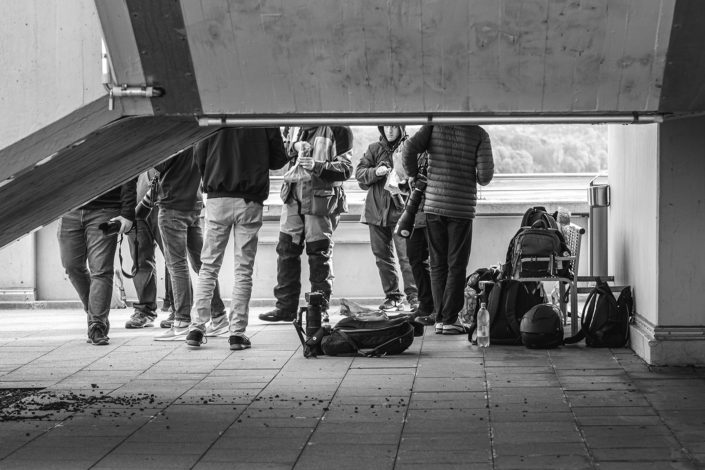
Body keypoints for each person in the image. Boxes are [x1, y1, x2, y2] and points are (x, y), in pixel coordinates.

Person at [186, 127, 288, 349]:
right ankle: (236, 333)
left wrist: (212, 173)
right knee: (243, 269)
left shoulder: (214, 116)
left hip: (217, 198)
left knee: (209, 266)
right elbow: (279, 160)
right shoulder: (263, 119)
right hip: (249, 199)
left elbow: (198, 155)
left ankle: (196, 328)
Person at [402, 125, 494, 335]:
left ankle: (440, 319)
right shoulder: (479, 134)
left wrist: (414, 174)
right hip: (460, 208)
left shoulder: (433, 126)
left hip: (434, 205)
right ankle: (450, 319)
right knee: (456, 264)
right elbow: (484, 177)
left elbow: (408, 148)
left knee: (438, 264)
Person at [259, 126, 353, 322]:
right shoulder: (292, 126)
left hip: (320, 201)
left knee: (319, 254)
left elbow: (346, 169)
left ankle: (319, 308)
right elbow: (280, 154)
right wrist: (294, 146)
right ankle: (285, 308)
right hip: (292, 198)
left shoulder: (339, 129)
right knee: (286, 251)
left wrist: (316, 165)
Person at [153, 147, 228, 341]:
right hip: (194, 203)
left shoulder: (173, 138)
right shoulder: (197, 135)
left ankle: (181, 322)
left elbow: (160, 164)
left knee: (177, 266)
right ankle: (219, 318)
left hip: (172, 205)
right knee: (202, 264)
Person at [58, 180, 136, 345]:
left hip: (105, 209)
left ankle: (97, 325)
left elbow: (130, 173)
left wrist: (128, 213)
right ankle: (95, 314)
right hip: (69, 210)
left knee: (101, 269)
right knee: (71, 266)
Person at [355, 125, 417, 311]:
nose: (389, 131)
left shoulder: (410, 147)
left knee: (407, 257)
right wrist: (376, 172)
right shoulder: (374, 148)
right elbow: (359, 175)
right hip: (375, 213)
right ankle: (393, 297)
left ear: (401, 128)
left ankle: (415, 298)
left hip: (403, 212)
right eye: (386, 127)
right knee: (382, 257)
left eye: (394, 127)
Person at [124, 170, 167, 329]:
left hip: (166, 203)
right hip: (135, 206)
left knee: (174, 260)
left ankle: (180, 311)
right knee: (140, 260)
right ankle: (145, 311)